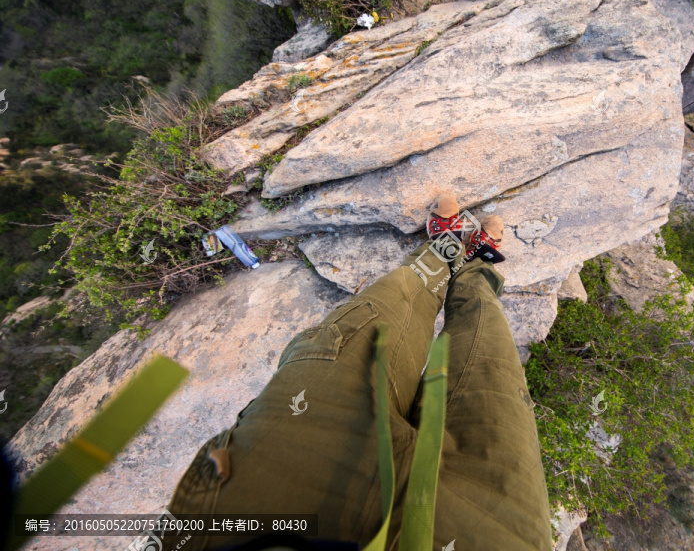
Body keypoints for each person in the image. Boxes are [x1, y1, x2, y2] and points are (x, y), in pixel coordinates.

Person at [157, 192, 553, 551]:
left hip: (275, 489)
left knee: (392, 307)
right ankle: (476, 268)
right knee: (487, 342)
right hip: (489, 531)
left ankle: (445, 251)